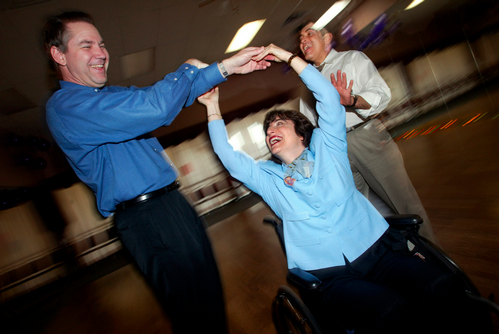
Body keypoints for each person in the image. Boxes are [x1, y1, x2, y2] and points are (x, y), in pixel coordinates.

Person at [198, 44, 483, 333]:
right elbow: (229, 157)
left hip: (377, 252)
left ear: (301, 134)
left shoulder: (328, 146)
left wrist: (288, 57)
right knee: (390, 313)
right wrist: (212, 106)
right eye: (268, 130)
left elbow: (328, 99)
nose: (271, 130)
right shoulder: (266, 177)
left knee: (440, 284)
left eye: (279, 124)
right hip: (332, 277)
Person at [42, 11, 271, 333]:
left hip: (170, 206)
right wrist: (191, 67)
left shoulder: (108, 97)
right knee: (195, 314)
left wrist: (225, 68)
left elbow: (169, 98)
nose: (101, 52)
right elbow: (155, 108)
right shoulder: (66, 107)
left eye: (102, 44)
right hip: (148, 217)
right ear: (59, 54)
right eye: (86, 45)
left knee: (210, 304)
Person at [297, 21, 438, 244]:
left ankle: (433, 256)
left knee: (403, 203)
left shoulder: (353, 59)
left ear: (327, 39)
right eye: (300, 38)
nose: (303, 40)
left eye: (309, 34)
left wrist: (352, 101)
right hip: (336, 150)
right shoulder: (307, 83)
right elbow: (309, 124)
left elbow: (380, 93)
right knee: (354, 212)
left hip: (366, 138)